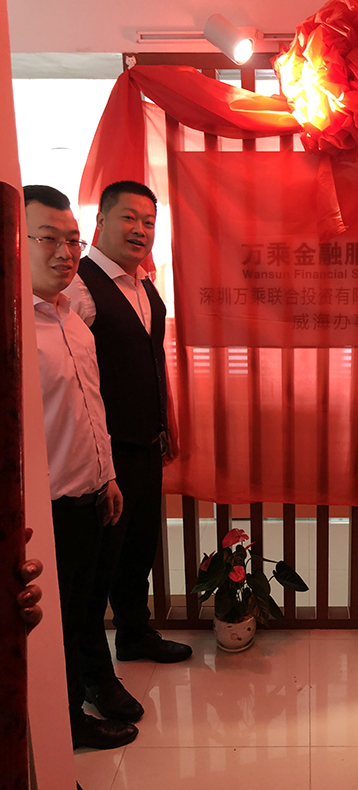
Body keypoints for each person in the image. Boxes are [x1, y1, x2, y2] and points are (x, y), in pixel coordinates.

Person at [64, 181, 191, 719]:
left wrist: (164, 423)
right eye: (129, 218)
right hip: (102, 455)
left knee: (138, 549)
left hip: (144, 444)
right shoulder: (78, 287)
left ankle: (135, 634)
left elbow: (148, 362)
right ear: (100, 222)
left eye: (149, 222)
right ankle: (93, 676)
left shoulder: (143, 284)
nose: (140, 230)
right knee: (98, 568)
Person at [25, 185, 137, 750]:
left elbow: (92, 407)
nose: (65, 253)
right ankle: (62, 726)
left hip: (91, 495)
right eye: (48, 238)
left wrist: (108, 476)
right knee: (55, 625)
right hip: (46, 509)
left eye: (72, 240)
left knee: (85, 612)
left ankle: (83, 701)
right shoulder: (16, 328)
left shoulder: (71, 320)